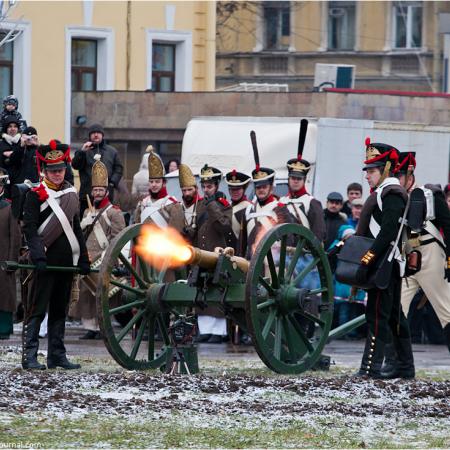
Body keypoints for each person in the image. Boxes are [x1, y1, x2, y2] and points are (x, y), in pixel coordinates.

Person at [22, 140, 90, 370]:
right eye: (53, 171)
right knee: (37, 308)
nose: (58, 174)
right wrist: (38, 255)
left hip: (66, 263)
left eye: (60, 170)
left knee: (60, 309)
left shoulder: (71, 194)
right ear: (45, 171)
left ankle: (56, 355)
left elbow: (76, 228)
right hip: (44, 261)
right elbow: (30, 229)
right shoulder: (34, 194)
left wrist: (83, 257)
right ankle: (30, 356)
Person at [354, 138, 414, 379]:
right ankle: (404, 366)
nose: (367, 175)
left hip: (384, 264)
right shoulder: (384, 192)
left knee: (377, 317)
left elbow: (389, 231)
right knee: (393, 316)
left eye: (372, 170)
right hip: (384, 262)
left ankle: (371, 367)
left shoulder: (391, 193)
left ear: (386, 169)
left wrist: (367, 258)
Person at [395, 151, 450, 354]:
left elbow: (448, 226)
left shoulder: (430, 196)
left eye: (399, 176)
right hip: (406, 258)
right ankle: (400, 363)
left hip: (431, 257)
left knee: (447, 312)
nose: (396, 180)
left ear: (410, 176)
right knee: (397, 311)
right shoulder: (395, 197)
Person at [74, 155, 126, 339]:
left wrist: (109, 258)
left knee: (103, 295)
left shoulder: (114, 212)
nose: (97, 193)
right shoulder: (88, 211)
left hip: (104, 258)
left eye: (100, 190)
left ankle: (102, 326)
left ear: (106, 192)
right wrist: (84, 223)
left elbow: (118, 237)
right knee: (87, 296)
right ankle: (90, 327)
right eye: (95, 189)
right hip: (88, 257)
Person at [194, 164, 234, 344]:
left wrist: (212, 206)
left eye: (209, 186)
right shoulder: (200, 204)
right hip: (202, 252)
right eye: (204, 186)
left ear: (217, 185)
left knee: (217, 291)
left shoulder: (223, 204)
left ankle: (218, 331)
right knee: (202, 289)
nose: (206, 189)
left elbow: (225, 226)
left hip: (218, 252)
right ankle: (205, 329)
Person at [72, 123, 123, 217]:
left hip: (106, 194)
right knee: (85, 222)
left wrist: (112, 183)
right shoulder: (83, 151)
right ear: (89, 136)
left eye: (98, 133)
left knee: (105, 220)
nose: (96, 135)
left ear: (102, 135)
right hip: (87, 195)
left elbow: (118, 168)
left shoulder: (112, 151)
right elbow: (75, 165)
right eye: (93, 133)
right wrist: (82, 152)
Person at [0, 168, 21, 339]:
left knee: (5, 295)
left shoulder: (9, 208)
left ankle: (4, 329)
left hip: (3, 258)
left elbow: (15, 236)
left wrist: (12, 259)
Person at [134, 147, 177, 225]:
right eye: (151, 182)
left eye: (157, 182)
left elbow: (176, 232)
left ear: (164, 183)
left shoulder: (172, 204)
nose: (153, 184)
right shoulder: (143, 203)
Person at [166, 163, 202, 243]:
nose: (187, 193)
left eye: (190, 190)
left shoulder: (202, 205)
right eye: (184, 190)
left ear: (196, 189)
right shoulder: (177, 207)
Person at [225, 169, 252, 256]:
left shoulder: (249, 207)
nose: (235, 192)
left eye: (238, 189)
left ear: (244, 189)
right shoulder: (226, 206)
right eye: (232, 189)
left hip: (241, 254)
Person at [0, 116, 22, 193]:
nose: (12, 129)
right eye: (10, 126)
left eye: (15, 126)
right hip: (5, 182)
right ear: (6, 128)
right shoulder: (1, 144)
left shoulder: (22, 143)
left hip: (20, 180)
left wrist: (12, 154)